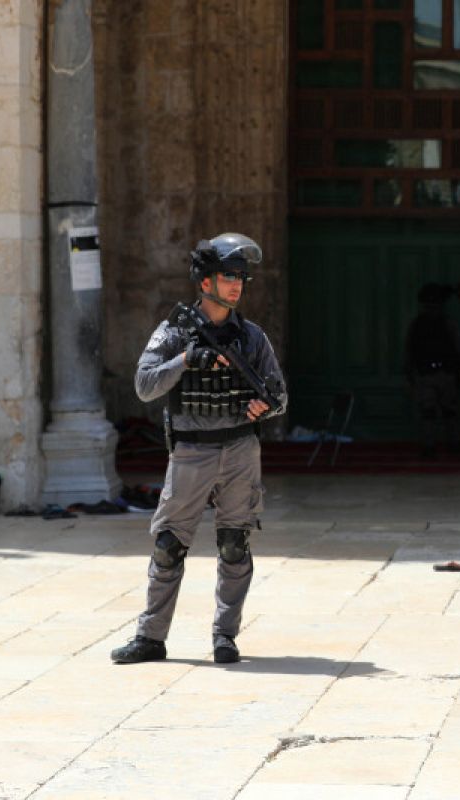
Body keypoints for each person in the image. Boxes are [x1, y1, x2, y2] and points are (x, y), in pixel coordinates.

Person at [111, 233, 287, 665]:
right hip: (192, 454)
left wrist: (265, 406)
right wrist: (187, 360)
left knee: (234, 544)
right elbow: (145, 386)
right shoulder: (174, 332)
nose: (236, 285)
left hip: (241, 451)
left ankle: (225, 636)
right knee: (169, 544)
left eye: (241, 278)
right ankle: (151, 637)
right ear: (204, 281)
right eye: (228, 276)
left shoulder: (251, 337)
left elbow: (281, 396)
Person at [405, 282, 460, 457]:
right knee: (428, 412)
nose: (432, 307)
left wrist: (458, 370)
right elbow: (410, 349)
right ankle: (429, 446)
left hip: (445, 372)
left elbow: (458, 347)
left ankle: (450, 444)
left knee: (449, 412)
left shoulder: (447, 323)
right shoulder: (418, 325)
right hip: (427, 373)